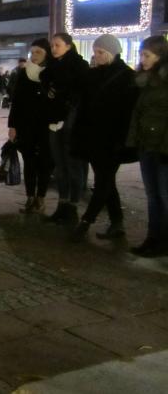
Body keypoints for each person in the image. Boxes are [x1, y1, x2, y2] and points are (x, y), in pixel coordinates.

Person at [69, 34, 137, 242]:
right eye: (95, 52)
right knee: (107, 181)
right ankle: (117, 223)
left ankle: (86, 221)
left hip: (113, 140)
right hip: (94, 138)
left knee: (103, 181)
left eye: (100, 52)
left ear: (111, 52)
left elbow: (128, 114)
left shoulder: (127, 77)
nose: (96, 56)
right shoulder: (93, 75)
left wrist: (122, 141)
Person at [42, 33, 90, 226]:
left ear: (69, 46)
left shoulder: (79, 66)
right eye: (52, 45)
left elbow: (81, 95)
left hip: (72, 122)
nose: (53, 49)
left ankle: (73, 207)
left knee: (73, 166)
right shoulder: (51, 67)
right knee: (60, 167)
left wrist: (62, 96)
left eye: (58, 45)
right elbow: (46, 84)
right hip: (54, 120)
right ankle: (62, 205)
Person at [127, 36, 168, 256]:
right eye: (141, 55)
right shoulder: (144, 81)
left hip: (162, 148)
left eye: (147, 55)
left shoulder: (163, 82)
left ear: (160, 56)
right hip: (146, 145)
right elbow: (138, 114)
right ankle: (153, 237)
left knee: (164, 195)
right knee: (152, 196)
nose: (142, 59)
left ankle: (163, 241)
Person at [8, 39, 54, 214]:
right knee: (29, 161)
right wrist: (12, 126)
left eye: (38, 52)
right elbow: (16, 101)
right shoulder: (24, 72)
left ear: (46, 53)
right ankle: (29, 197)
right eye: (32, 52)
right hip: (26, 125)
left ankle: (40, 197)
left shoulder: (51, 72)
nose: (34, 56)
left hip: (46, 125)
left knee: (45, 162)